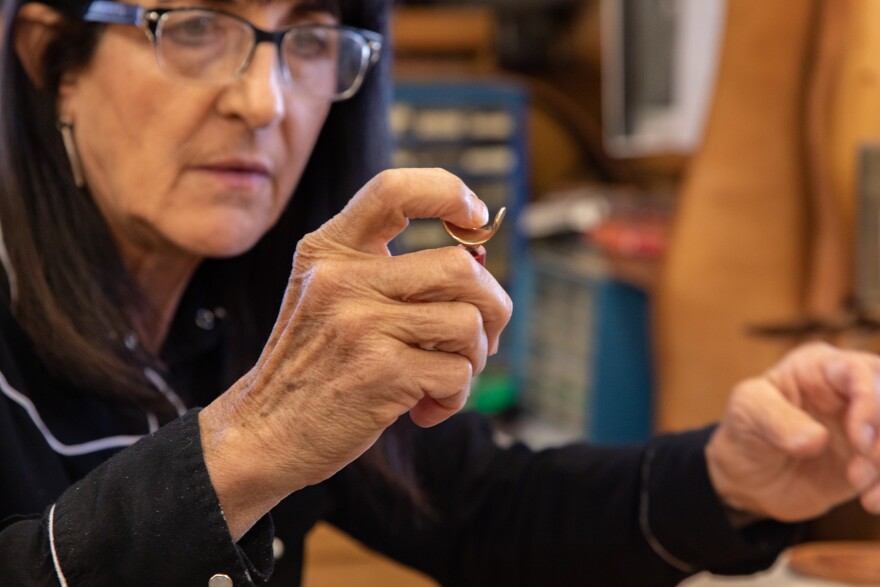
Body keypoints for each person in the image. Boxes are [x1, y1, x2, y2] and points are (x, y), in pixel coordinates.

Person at [0, 0, 879, 585]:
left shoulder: (247, 309)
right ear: (53, 62)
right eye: (194, 25)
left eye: (307, 38)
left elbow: (488, 508)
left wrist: (730, 475)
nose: (264, 99)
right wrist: (251, 441)